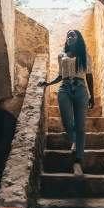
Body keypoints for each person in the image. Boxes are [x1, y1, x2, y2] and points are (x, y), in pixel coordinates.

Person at [38, 30, 94, 176]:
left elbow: (89, 75)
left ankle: (77, 162)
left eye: (72, 35)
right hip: (64, 89)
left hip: (81, 88)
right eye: (68, 35)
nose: (69, 37)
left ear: (78, 38)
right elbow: (60, 75)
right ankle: (75, 140)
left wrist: (92, 96)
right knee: (67, 122)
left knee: (80, 126)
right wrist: (48, 83)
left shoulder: (85, 55)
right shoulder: (61, 56)